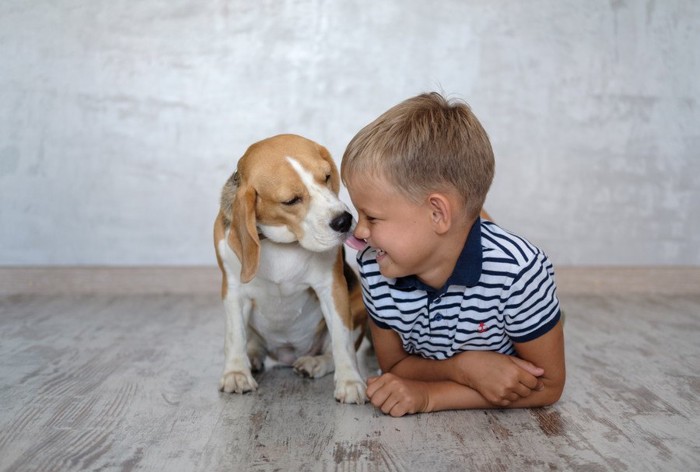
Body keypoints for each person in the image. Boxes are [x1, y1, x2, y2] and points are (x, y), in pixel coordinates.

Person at [341, 92, 565, 417]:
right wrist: (465, 367)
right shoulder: (375, 266)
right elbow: (395, 365)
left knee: (531, 305)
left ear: (436, 213)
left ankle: (544, 311)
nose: (359, 233)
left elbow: (549, 385)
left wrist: (431, 396)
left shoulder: (520, 273)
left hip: (508, 278)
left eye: (371, 217)